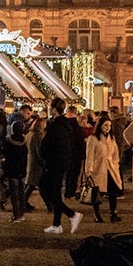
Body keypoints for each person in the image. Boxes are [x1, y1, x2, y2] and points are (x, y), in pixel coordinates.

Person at [39, 98, 83, 234]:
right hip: (63, 162)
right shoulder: (66, 124)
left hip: (54, 162)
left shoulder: (55, 126)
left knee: (46, 189)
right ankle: (57, 224)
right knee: (56, 192)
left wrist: (44, 155)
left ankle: (72, 214)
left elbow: (47, 145)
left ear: (53, 109)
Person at [85, 115, 125, 223]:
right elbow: (89, 156)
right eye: (106, 125)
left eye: (109, 125)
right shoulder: (93, 139)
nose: (108, 127)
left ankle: (113, 213)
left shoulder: (111, 138)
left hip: (110, 168)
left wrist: (115, 164)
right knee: (97, 193)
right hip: (98, 169)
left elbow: (115, 153)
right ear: (100, 126)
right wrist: (89, 170)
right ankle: (96, 213)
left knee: (113, 192)